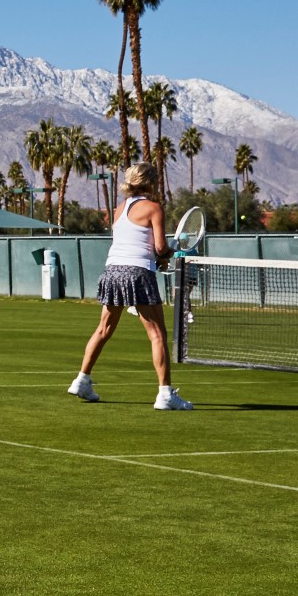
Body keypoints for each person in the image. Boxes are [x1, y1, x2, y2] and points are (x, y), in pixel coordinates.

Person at [68, 162, 191, 410]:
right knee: (157, 334)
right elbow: (159, 248)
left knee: (103, 329)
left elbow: (137, 244)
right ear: (150, 182)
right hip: (137, 273)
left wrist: (160, 258)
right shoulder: (154, 208)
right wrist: (172, 253)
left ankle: (82, 380)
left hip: (112, 270)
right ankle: (165, 395)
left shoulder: (120, 208)